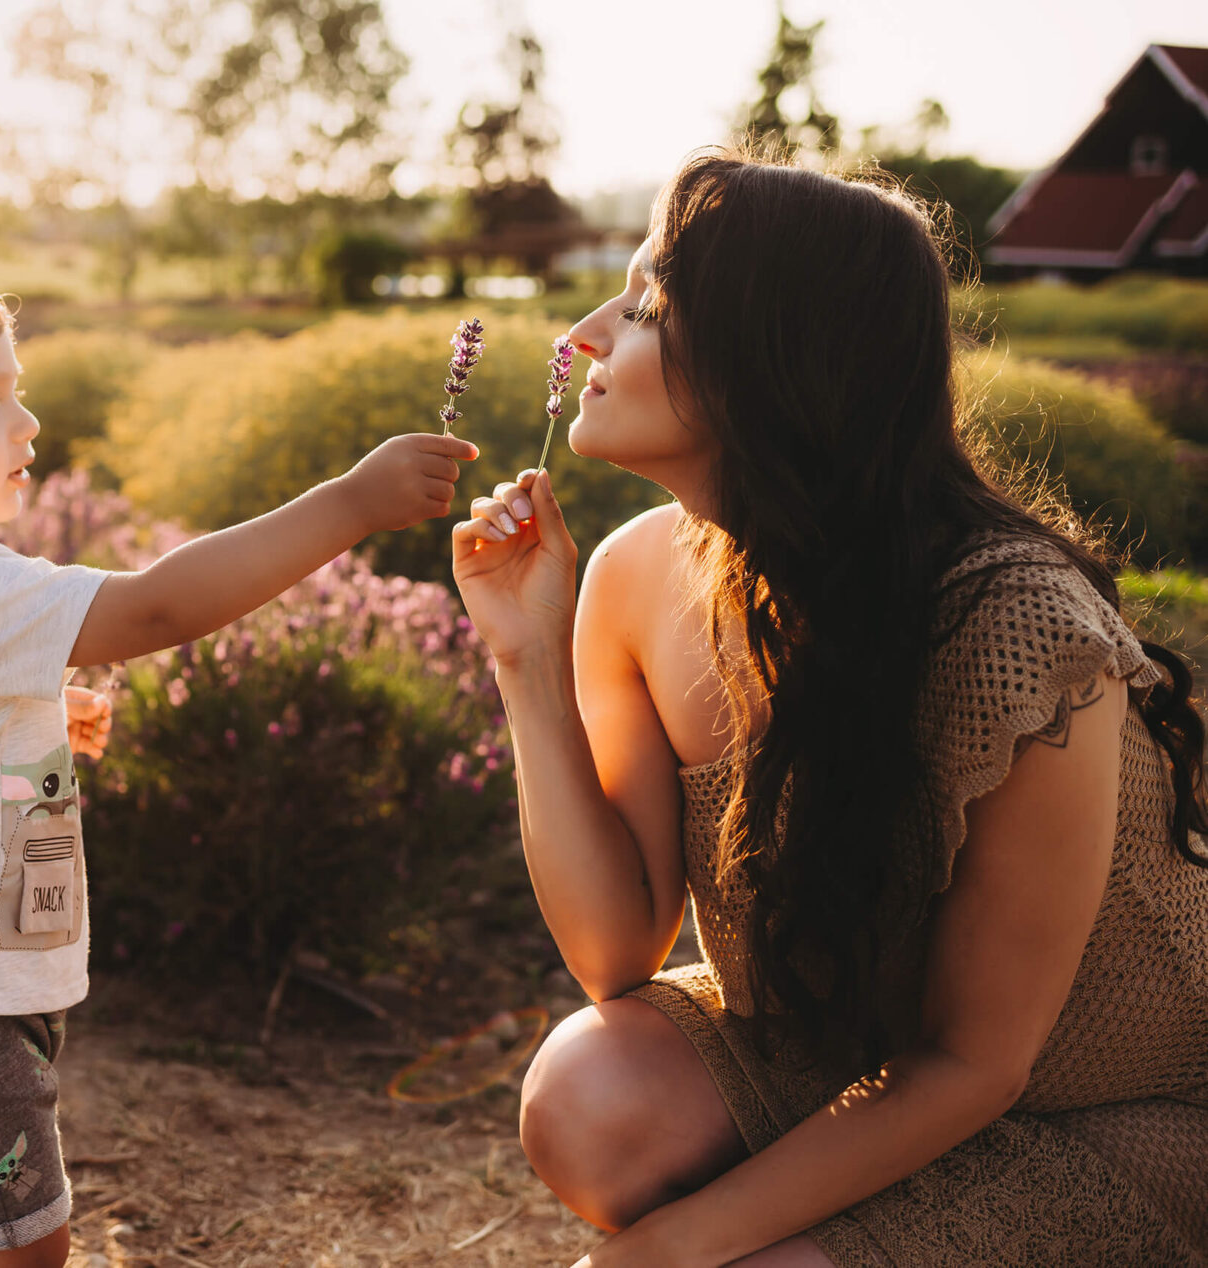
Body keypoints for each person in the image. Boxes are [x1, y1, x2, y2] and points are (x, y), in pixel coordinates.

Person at [452, 149, 1208, 1266]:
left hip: (1102, 1112)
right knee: (590, 1092)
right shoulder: (630, 574)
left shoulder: (1017, 628)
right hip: (857, 1051)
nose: (582, 335)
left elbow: (975, 1060)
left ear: (773, 360)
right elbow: (615, 949)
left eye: (647, 303)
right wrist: (524, 659)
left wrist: (669, 1247)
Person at [0, 217, 477, 1268]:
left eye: (14, 387)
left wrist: (20, 727)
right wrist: (350, 502)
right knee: (28, 1245)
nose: (26, 421)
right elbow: (156, 609)